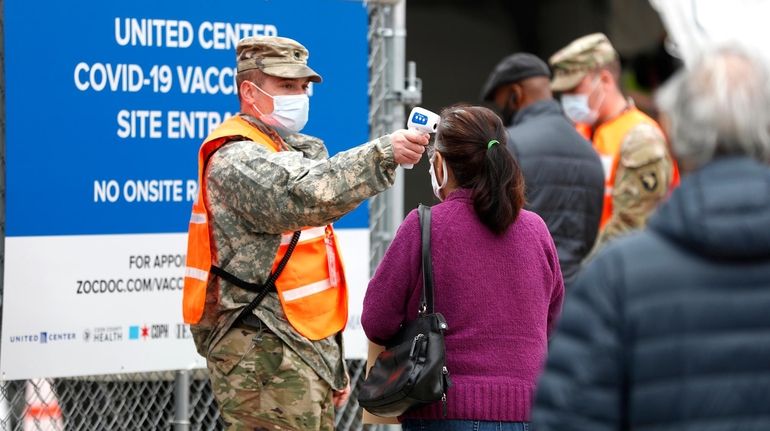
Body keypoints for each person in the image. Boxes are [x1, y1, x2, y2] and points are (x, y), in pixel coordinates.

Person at [182, 36, 429, 430]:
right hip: (260, 352)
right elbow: (299, 195)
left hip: (297, 349)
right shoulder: (236, 157)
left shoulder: (284, 148)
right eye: (286, 86)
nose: (300, 95)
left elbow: (305, 275)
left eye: (303, 86)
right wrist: (383, 152)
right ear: (249, 91)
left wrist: (330, 367)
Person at [533, 46, 770, 430]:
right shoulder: (589, 133)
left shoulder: (617, 280)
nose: (568, 100)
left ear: (675, 136)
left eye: (574, 88)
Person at [362, 106, 565, 430]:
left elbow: (377, 321)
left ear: (441, 164)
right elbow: (551, 320)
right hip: (528, 411)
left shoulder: (424, 226)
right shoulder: (536, 229)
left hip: (443, 409)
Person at [481, 53, 604, 285]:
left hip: (525, 290)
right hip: (573, 293)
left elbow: (491, 223)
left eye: (502, 104)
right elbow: (590, 235)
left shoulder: (509, 145)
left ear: (516, 93)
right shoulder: (589, 151)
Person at [549, 33, 678, 249]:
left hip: (620, 266)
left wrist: (584, 270)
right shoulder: (580, 132)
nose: (568, 99)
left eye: (574, 89)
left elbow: (633, 225)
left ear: (606, 80)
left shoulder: (641, 138)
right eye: (564, 92)